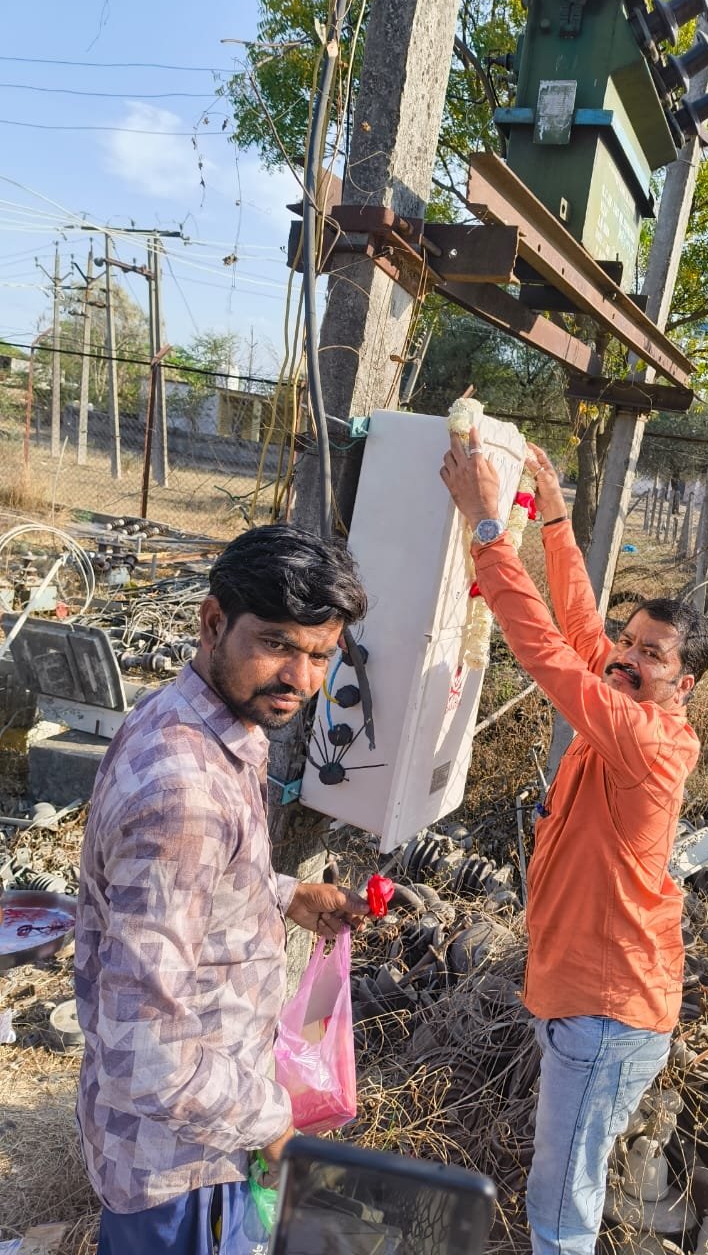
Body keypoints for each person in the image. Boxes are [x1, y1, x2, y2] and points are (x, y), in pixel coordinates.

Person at [441, 428, 708, 1255]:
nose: (625, 657)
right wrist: (556, 520)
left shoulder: (646, 740)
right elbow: (579, 630)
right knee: (563, 1186)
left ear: (683, 684)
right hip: (584, 1002)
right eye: (628, 642)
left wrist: (488, 530)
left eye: (649, 654)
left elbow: (548, 654)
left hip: (605, 1012)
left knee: (560, 1209)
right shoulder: (628, 696)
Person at [75, 523, 371, 1255]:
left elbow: (194, 879)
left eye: (320, 655)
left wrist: (282, 893)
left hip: (191, 1136)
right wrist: (272, 1121)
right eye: (276, 644)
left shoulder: (191, 717)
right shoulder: (184, 791)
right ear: (213, 623)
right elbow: (144, 1051)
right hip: (184, 1167)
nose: (300, 679)